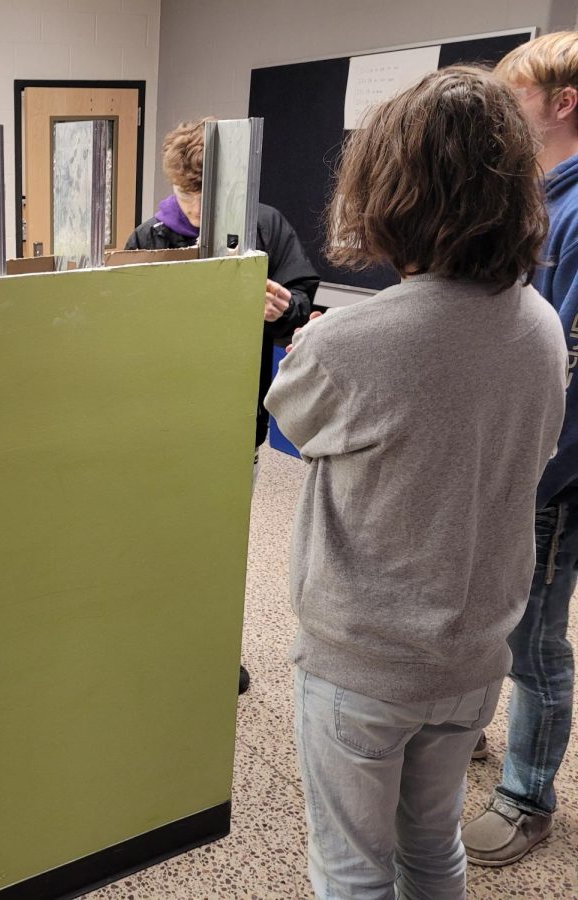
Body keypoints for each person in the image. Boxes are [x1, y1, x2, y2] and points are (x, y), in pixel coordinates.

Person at [265, 67, 566, 899]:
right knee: (432, 849)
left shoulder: (353, 343)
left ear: (389, 191)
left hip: (361, 664)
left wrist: (313, 345)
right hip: (472, 657)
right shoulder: (540, 324)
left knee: (351, 868)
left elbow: (292, 422)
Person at [128, 117, 321, 695]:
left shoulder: (266, 225)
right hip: (160, 422)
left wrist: (285, 309)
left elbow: (305, 307)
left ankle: (214, 648)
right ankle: (156, 642)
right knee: (159, 539)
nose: (193, 213)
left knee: (223, 543)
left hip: (237, 421)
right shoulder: (148, 238)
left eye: (204, 198)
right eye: (186, 198)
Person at [462, 30, 578, 868]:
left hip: (550, 474)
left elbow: (567, 365)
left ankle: (526, 796)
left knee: (533, 640)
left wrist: (528, 474)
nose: (504, 114)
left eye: (518, 97)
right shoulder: (535, 200)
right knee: (486, 612)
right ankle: (465, 725)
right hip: (508, 462)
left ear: (563, 102)